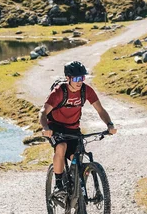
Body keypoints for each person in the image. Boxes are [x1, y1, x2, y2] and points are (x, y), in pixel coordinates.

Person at [40, 61, 116, 193]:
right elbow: (43, 112)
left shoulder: (86, 90)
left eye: (82, 78)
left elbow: (100, 110)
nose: (79, 81)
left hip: (73, 128)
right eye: (76, 78)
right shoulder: (59, 91)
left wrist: (109, 125)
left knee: (76, 156)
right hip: (55, 127)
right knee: (61, 146)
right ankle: (58, 184)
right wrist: (46, 128)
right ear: (68, 78)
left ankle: (77, 188)